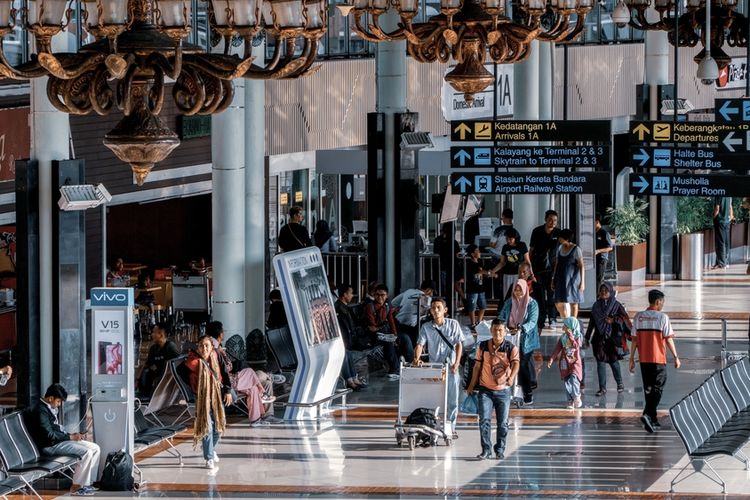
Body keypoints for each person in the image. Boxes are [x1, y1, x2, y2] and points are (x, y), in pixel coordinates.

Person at [23, 384, 102, 496]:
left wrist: (71, 435)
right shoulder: (41, 411)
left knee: (95, 448)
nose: (59, 405)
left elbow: (56, 431)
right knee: (86, 452)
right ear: (50, 398)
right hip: (50, 446)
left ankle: (88, 483)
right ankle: (77, 487)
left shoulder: (49, 407)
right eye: (58, 402)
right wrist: (70, 437)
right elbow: (49, 436)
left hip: (59, 441)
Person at [205, 321, 280, 426]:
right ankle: (266, 386)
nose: (224, 333)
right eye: (223, 331)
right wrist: (224, 355)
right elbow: (226, 368)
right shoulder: (215, 348)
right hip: (227, 382)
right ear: (220, 333)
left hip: (229, 380)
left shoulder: (212, 346)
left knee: (256, 386)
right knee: (250, 372)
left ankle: (258, 419)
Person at [466, 319, 519, 460]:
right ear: (491, 331)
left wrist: (512, 377)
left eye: (500, 330)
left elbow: (516, 364)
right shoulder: (482, 346)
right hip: (485, 390)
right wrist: (471, 385)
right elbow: (476, 367)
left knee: (503, 423)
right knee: (484, 421)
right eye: (495, 330)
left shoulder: (511, 348)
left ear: (505, 331)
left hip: (503, 391)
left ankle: (500, 449)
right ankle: (486, 450)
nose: (497, 333)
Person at [629, 289, 681, 433]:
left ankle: (652, 418)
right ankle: (648, 413)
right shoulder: (662, 317)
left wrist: (632, 359)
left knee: (649, 389)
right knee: (658, 388)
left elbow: (634, 340)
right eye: (662, 302)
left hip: (644, 360)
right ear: (658, 302)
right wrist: (676, 357)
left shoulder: (638, 317)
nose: (663, 305)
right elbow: (669, 339)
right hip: (658, 359)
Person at [412, 298, 464, 438]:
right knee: (434, 398)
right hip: (434, 367)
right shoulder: (426, 327)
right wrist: (416, 359)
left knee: (452, 400)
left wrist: (457, 363)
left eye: (438, 307)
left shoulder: (453, 324)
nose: (435, 310)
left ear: (445, 310)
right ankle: (433, 425)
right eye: (433, 308)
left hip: (451, 367)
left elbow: (459, 344)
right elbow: (420, 344)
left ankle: (451, 427)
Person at [183, 335, 233, 469]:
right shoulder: (192, 362)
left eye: (207, 345)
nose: (204, 348)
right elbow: (182, 373)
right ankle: (209, 457)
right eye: (201, 345)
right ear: (197, 347)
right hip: (201, 397)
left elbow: (225, 373)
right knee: (207, 426)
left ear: (212, 348)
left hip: (217, 395)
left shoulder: (216, 356)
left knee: (219, 426)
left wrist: (228, 391)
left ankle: (208, 447)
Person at [498, 279, 540, 406]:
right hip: (511, 337)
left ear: (525, 289)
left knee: (522, 364)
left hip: (526, 339)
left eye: (520, 289)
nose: (517, 292)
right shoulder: (509, 302)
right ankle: (508, 390)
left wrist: (522, 328)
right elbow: (502, 316)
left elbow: (533, 321)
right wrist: (502, 325)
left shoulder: (532, 304)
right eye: (515, 289)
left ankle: (527, 393)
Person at [585, 282, 631, 396]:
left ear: (610, 291)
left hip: (612, 338)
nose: (604, 292)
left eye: (606, 290)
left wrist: (613, 320)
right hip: (599, 338)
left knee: (613, 361)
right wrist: (586, 337)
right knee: (600, 362)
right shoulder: (596, 306)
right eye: (602, 290)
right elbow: (592, 322)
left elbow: (624, 318)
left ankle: (619, 383)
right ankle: (602, 388)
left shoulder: (616, 305)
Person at [363, 284, 414, 381]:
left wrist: (394, 335)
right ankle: (394, 369)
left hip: (386, 333)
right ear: (374, 295)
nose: (380, 297)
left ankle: (411, 362)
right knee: (389, 342)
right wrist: (383, 330)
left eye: (383, 295)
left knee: (405, 337)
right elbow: (372, 325)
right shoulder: (370, 306)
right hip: (374, 336)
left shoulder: (387, 307)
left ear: (387, 296)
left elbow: (391, 323)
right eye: (377, 295)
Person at [529, 210, 560, 328]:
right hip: (538, 269)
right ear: (545, 219)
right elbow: (531, 250)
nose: (553, 222)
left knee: (552, 294)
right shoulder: (536, 231)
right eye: (550, 219)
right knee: (539, 295)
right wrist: (530, 270)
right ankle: (540, 318)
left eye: (555, 220)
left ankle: (552, 318)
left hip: (553, 269)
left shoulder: (558, 233)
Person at [334, 283, 368, 390]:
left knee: (348, 355)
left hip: (346, 338)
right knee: (344, 355)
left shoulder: (344, 307)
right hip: (342, 338)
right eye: (350, 293)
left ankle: (354, 378)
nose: (352, 295)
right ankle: (350, 380)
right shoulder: (339, 308)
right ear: (344, 294)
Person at [548, 317, 584, 409]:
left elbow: (576, 346)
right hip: (565, 362)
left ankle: (576, 396)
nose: (563, 326)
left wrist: (571, 336)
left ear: (571, 327)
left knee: (574, 378)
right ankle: (570, 400)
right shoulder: (562, 338)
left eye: (565, 325)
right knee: (567, 381)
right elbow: (557, 349)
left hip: (575, 362)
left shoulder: (578, 336)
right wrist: (552, 359)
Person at [137, 322, 180, 398]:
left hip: (170, 376)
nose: (151, 334)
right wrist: (137, 379)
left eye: (154, 332)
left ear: (161, 334)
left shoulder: (170, 347)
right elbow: (147, 364)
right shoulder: (153, 348)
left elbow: (179, 364)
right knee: (146, 372)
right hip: (159, 374)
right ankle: (144, 396)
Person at [489, 228, 531, 299]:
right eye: (507, 238)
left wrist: (531, 274)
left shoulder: (522, 245)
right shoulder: (505, 247)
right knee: (507, 295)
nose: (508, 241)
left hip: (519, 274)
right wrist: (493, 271)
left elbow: (527, 261)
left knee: (520, 294)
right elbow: (502, 262)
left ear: (515, 238)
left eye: (510, 239)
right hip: (507, 274)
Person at [551, 228, 585, 319]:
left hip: (572, 280)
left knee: (573, 302)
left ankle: (573, 324)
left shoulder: (576, 249)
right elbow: (557, 264)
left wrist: (582, 282)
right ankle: (566, 321)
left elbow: (582, 266)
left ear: (566, 238)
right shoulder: (560, 248)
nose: (559, 239)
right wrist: (553, 278)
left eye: (560, 237)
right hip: (560, 278)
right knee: (558, 302)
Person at [391, 280, 435, 345]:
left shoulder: (409, 291)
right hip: (411, 326)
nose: (432, 294)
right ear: (428, 290)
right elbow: (426, 313)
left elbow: (393, 302)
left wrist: (402, 307)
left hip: (397, 322)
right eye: (432, 291)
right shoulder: (427, 298)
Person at [457, 244, 490, 328]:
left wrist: (488, 273)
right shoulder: (469, 264)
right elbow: (480, 271)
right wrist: (490, 273)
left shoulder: (480, 262)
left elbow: (482, 272)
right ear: (472, 254)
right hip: (472, 289)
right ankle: (473, 323)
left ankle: (479, 322)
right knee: (472, 307)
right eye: (477, 251)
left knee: (483, 306)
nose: (479, 252)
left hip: (481, 288)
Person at [433, 223, 460, 309]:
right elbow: (457, 255)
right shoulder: (453, 242)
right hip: (451, 268)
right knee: (450, 289)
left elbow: (435, 252)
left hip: (440, 267)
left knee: (442, 289)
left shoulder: (437, 240)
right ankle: (449, 307)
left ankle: (443, 307)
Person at [712, 196, 734, 269]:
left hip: (720, 221)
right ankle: (725, 262)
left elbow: (717, 209)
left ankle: (721, 263)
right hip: (727, 222)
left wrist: (713, 217)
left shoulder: (719, 196)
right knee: (726, 241)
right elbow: (730, 208)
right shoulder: (729, 196)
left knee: (720, 242)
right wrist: (730, 218)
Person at [594, 213, 613, 287]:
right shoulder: (593, 233)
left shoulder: (604, 233)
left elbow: (610, 247)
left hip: (601, 259)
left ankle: (599, 296)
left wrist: (598, 251)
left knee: (599, 279)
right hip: (594, 259)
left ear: (597, 222)